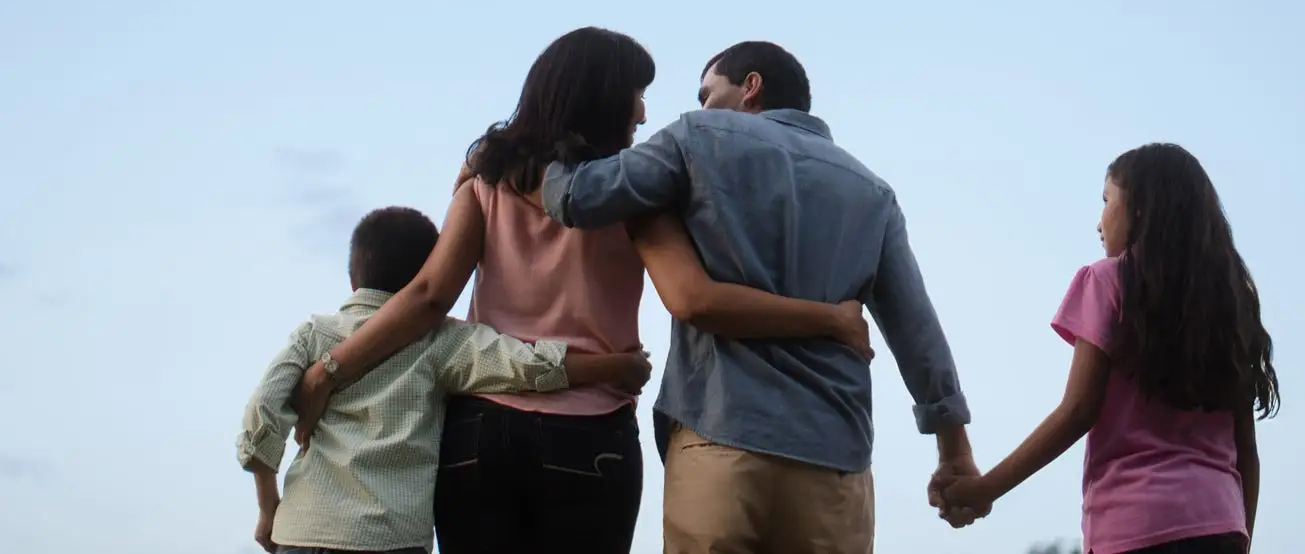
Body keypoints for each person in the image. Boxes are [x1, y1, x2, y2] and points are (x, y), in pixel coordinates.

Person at [288, 28, 872, 554]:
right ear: (603, 98)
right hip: (590, 432)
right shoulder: (640, 197)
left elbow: (426, 298)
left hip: (480, 431)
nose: (644, 112)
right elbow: (691, 297)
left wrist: (329, 371)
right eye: (636, 93)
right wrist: (830, 317)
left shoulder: (487, 182)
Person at [537, 40, 978, 554]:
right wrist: (954, 450)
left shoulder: (696, 136)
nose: (702, 106)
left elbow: (577, 197)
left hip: (720, 437)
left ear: (750, 87)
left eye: (707, 93)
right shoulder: (872, 192)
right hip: (835, 460)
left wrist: (541, 147)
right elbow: (916, 329)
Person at [237, 206, 651, 554]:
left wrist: (268, 506)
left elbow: (263, 409)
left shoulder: (315, 334)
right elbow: (525, 366)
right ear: (432, 274)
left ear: (352, 279)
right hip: (391, 539)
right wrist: (616, 366)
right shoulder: (441, 340)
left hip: (301, 531)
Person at [932, 143, 1280, 554]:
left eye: (1106, 201)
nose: (1099, 222)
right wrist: (1241, 537)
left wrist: (986, 488)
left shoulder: (1108, 281)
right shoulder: (1229, 303)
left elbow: (1078, 410)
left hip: (1135, 527)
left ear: (1140, 208)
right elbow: (1246, 450)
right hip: (1221, 524)